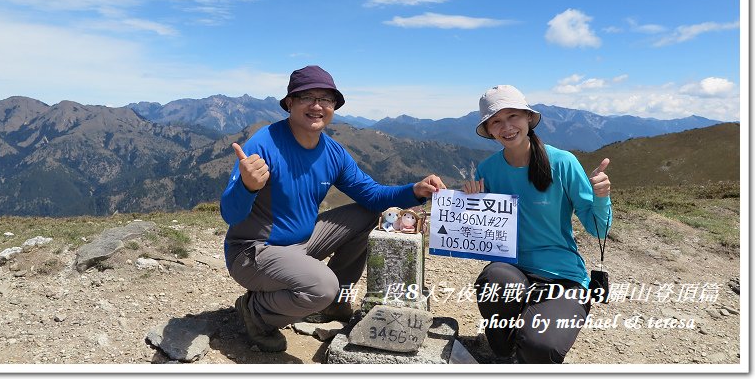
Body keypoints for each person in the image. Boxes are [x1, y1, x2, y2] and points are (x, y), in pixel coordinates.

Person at [219, 65, 446, 353]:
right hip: (254, 251)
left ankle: (336, 303)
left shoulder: (332, 152)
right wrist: (247, 187)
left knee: (370, 215)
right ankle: (256, 311)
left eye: (326, 99)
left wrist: (415, 191)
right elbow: (231, 215)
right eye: (307, 98)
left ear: (334, 106)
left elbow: (373, 196)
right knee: (322, 287)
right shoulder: (263, 144)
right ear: (290, 103)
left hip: (301, 243)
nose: (317, 106)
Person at [464, 85, 612, 364]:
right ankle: (505, 349)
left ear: (528, 119)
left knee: (541, 348)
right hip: (512, 269)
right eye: (496, 120)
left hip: (564, 277)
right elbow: (488, 240)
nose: (506, 127)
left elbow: (597, 228)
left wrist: (601, 197)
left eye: (513, 116)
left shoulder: (563, 163)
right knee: (494, 279)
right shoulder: (487, 170)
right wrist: (473, 208)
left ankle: (530, 340)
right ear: (489, 129)